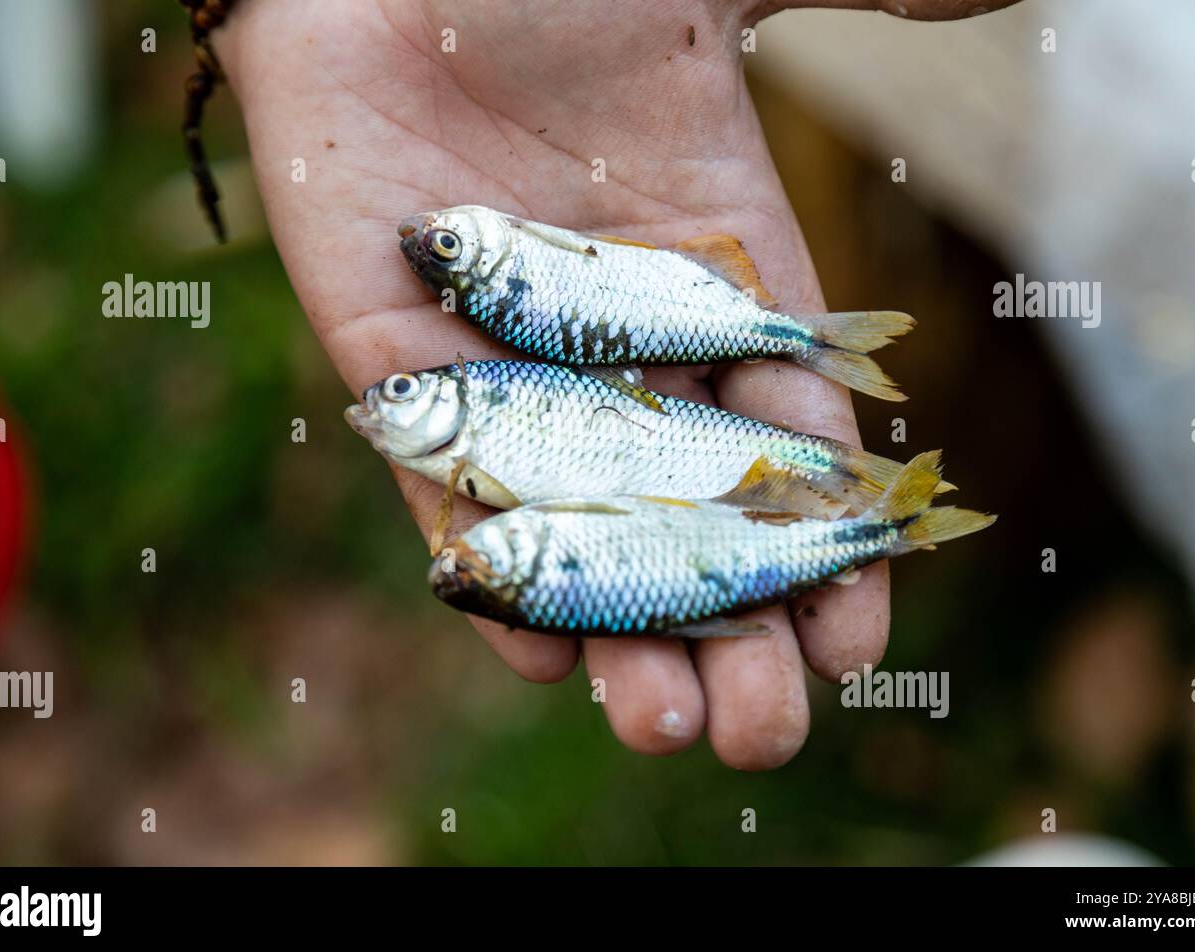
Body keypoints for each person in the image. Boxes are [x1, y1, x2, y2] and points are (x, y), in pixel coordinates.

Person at [209, 0, 1017, 770]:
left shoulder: (485, 411)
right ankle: (890, 512)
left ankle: (888, 495)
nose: (381, 404)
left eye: (447, 247)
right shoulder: (480, 437)